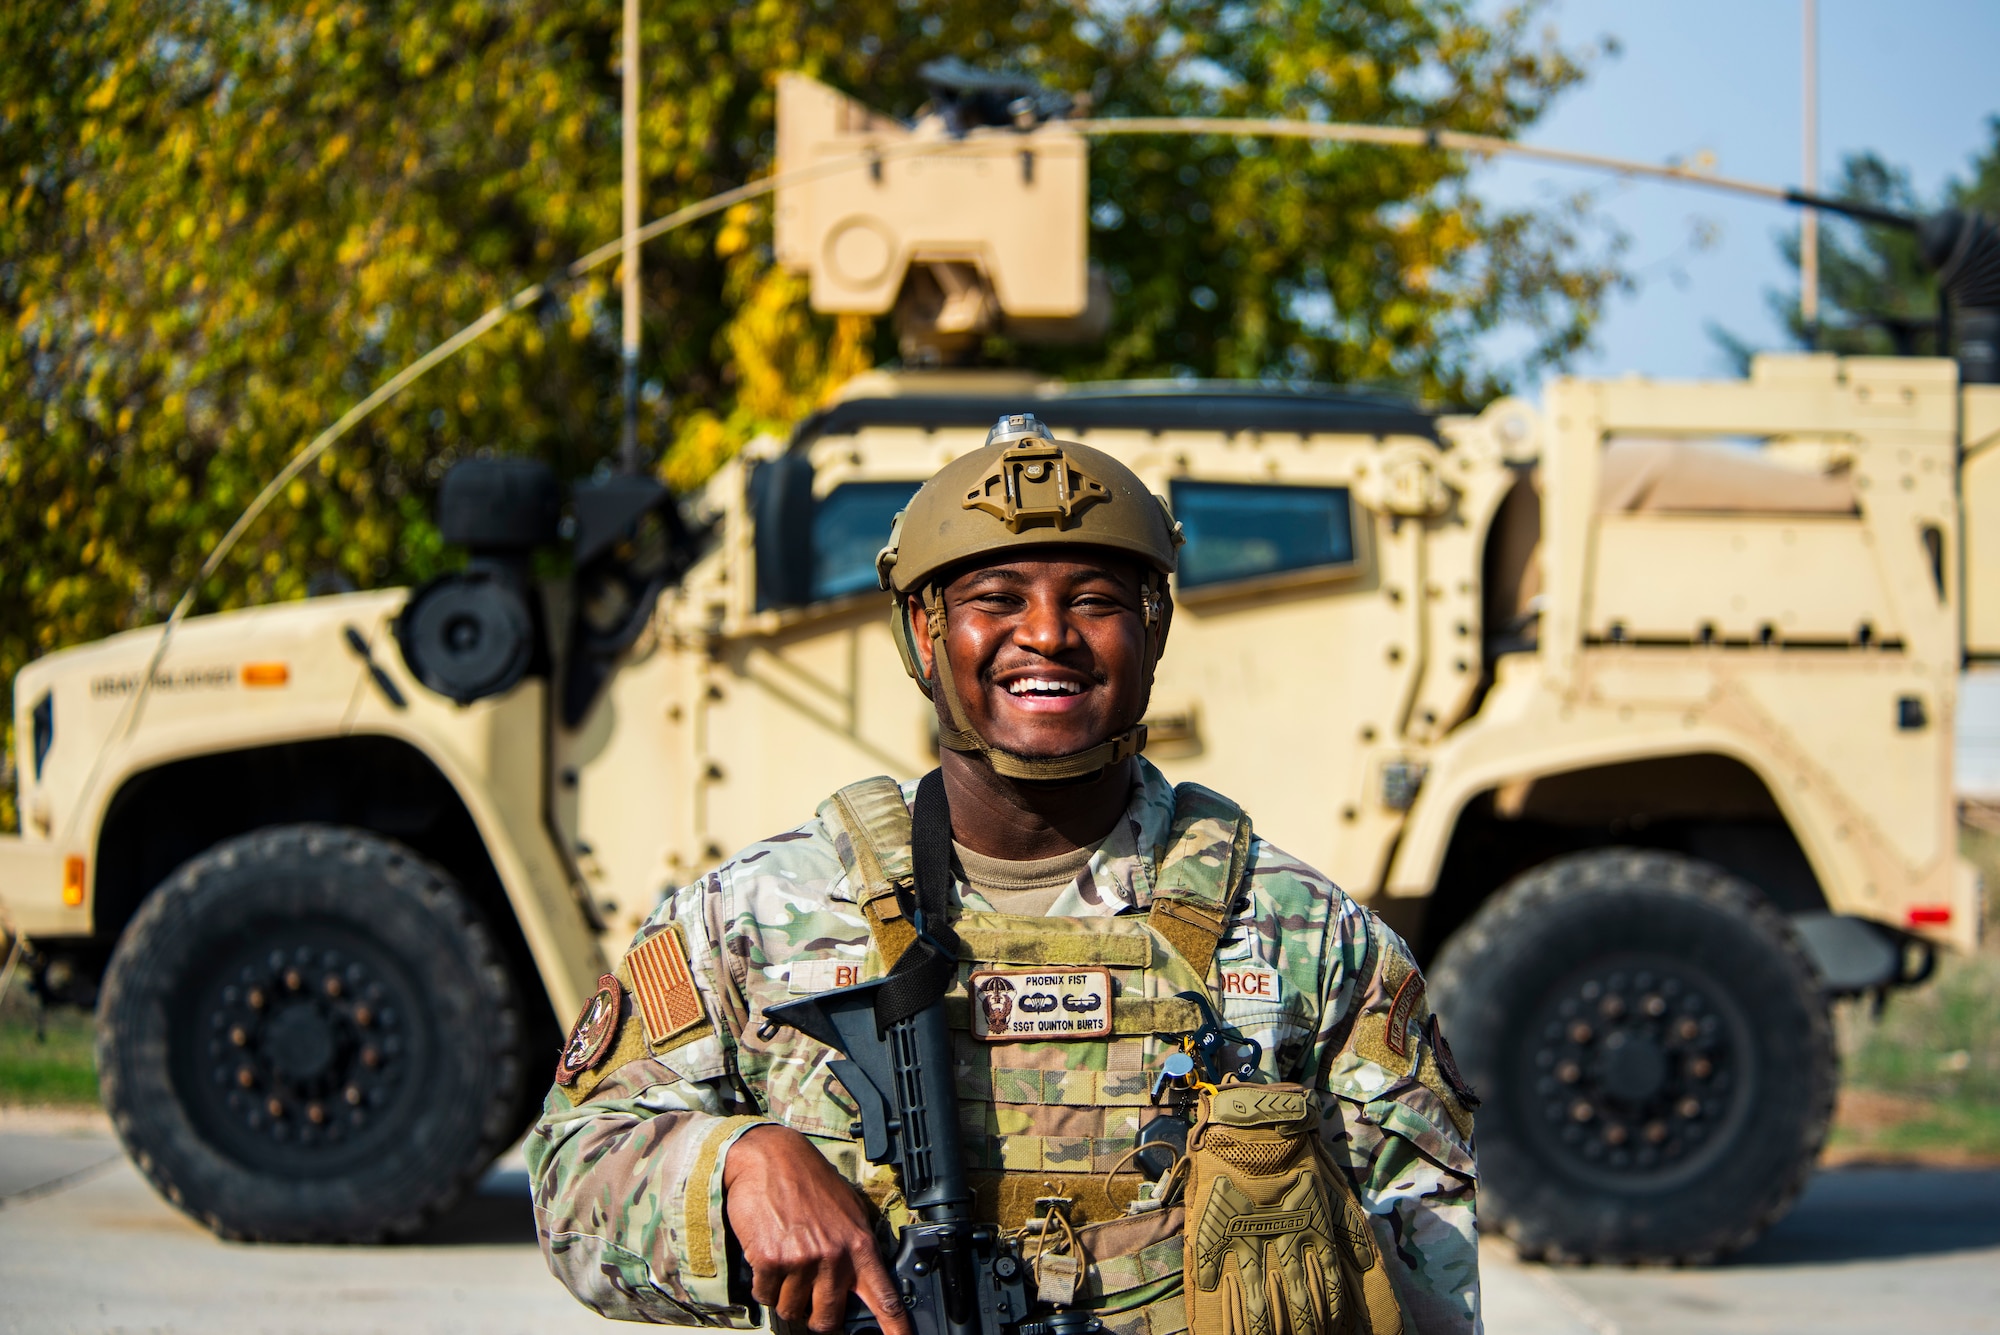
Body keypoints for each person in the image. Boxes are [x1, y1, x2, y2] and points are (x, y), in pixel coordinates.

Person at [529, 414, 1481, 1335]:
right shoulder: (757, 918)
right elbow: (572, 1172)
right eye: (996, 599)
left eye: (1096, 599)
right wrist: (736, 1161)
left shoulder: (1302, 934)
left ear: (1153, 628)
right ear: (924, 629)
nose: (1048, 634)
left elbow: (1431, 1267)